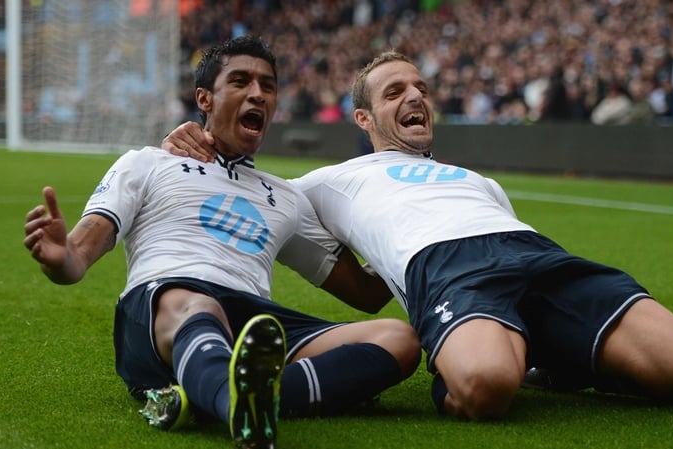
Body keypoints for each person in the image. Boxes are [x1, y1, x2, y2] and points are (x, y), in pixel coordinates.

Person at [164, 51, 673, 421]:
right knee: (486, 389)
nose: (415, 97)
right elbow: (249, 186)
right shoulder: (325, 182)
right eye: (394, 91)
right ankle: (462, 368)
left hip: (537, 255)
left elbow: (509, 229)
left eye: (421, 87)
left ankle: (553, 363)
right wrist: (196, 137)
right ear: (364, 119)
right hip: (448, 271)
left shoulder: (478, 180)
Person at [24, 37, 420, 449]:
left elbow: (365, 292)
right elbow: (78, 256)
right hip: (164, 307)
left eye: (268, 86)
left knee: (398, 339)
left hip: (251, 326)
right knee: (199, 304)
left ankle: (228, 395)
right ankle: (236, 402)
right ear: (205, 99)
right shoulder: (147, 163)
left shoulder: (286, 196)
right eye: (241, 81)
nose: (258, 94)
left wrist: (421, 237)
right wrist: (59, 257)